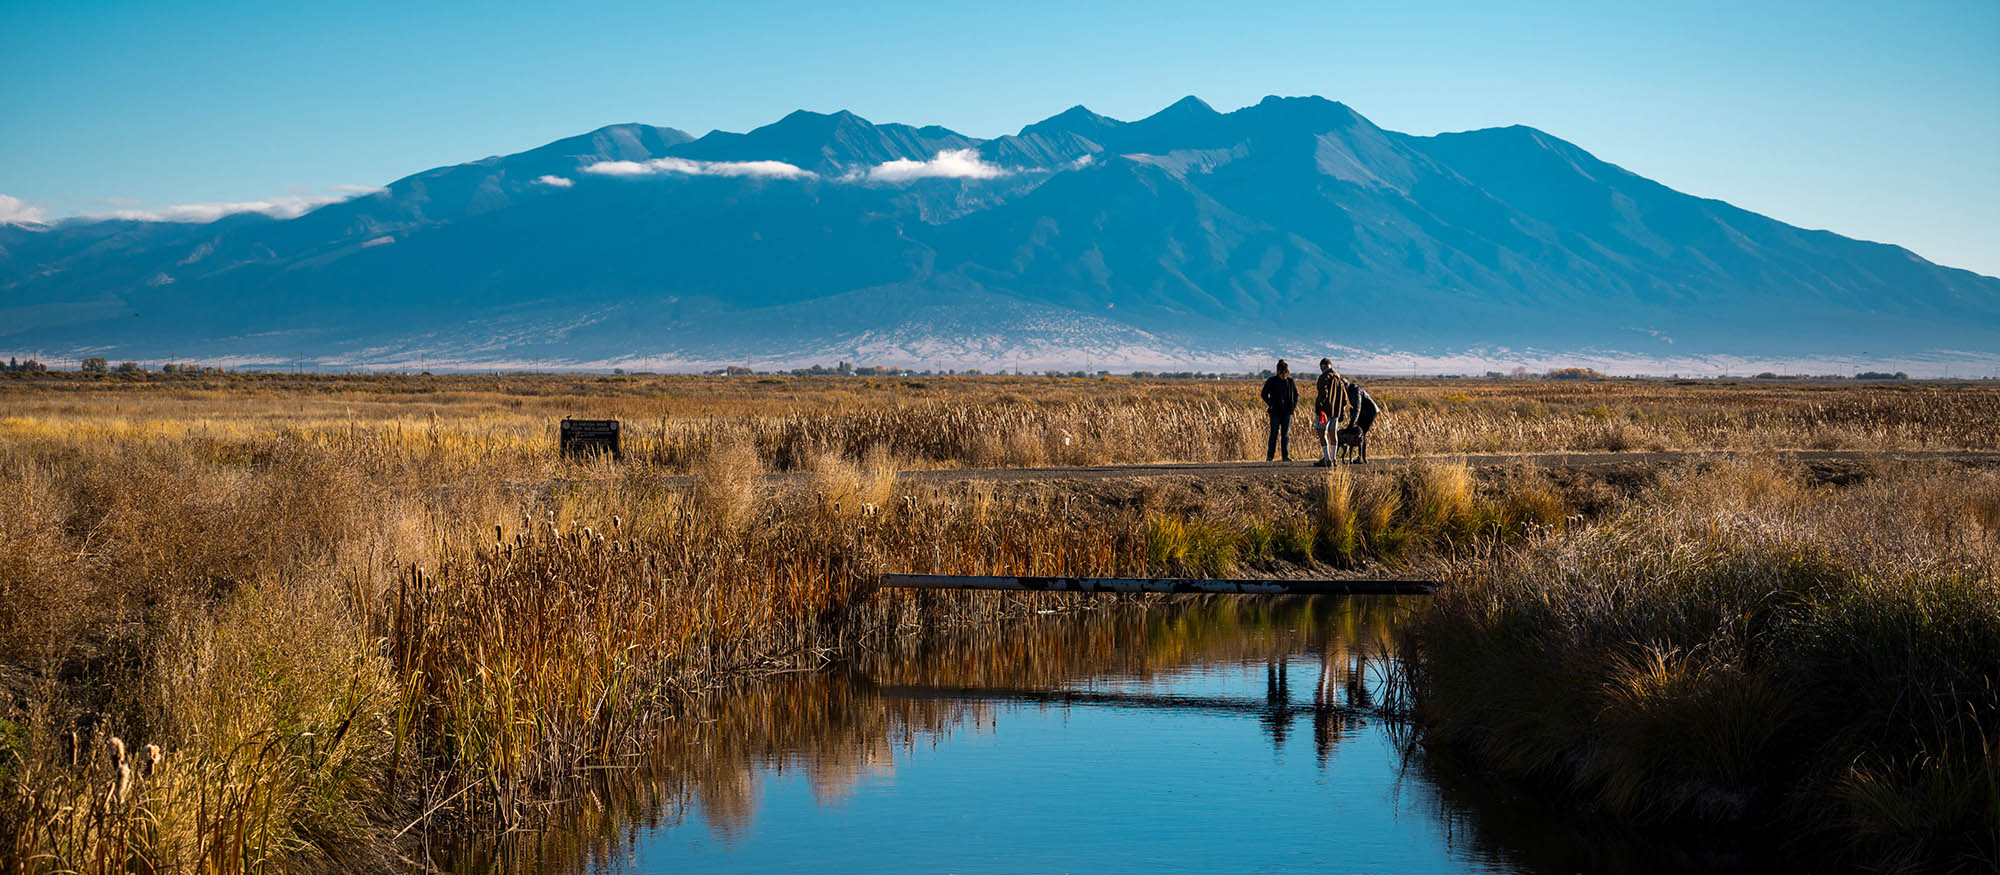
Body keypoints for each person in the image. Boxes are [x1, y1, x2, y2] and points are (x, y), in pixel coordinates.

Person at [1259, 360, 1298, 461]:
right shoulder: (1272, 381)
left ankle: (1285, 456)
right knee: (1273, 434)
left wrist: (1292, 407)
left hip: (1287, 413)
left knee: (1285, 435)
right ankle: (1270, 456)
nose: (1284, 375)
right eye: (1282, 373)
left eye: (1286, 373)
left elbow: (1296, 395)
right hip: (1275, 412)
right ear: (1278, 372)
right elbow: (1264, 394)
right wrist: (1271, 404)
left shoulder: (1290, 382)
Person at [1312, 359, 1347, 467]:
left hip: (1324, 411)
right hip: (1336, 412)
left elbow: (1323, 394)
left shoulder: (1323, 377)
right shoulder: (1339, 378)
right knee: (1333, 433)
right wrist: (1341, 411)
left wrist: (1318, 408)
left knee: (1322, 432)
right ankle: (1334, 459)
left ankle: (1327, 459)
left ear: (1322, 366)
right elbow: (1345, 398)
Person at [1342, 377, 1381, 463]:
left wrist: (1351, 424)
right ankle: (1361, 457)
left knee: (1361, 433)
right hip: (1363, 412)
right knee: (1360, 433)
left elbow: (1357, 409)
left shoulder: (1356, 391)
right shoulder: (1348, 391)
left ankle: (1362, 458)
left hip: (1370, 412)